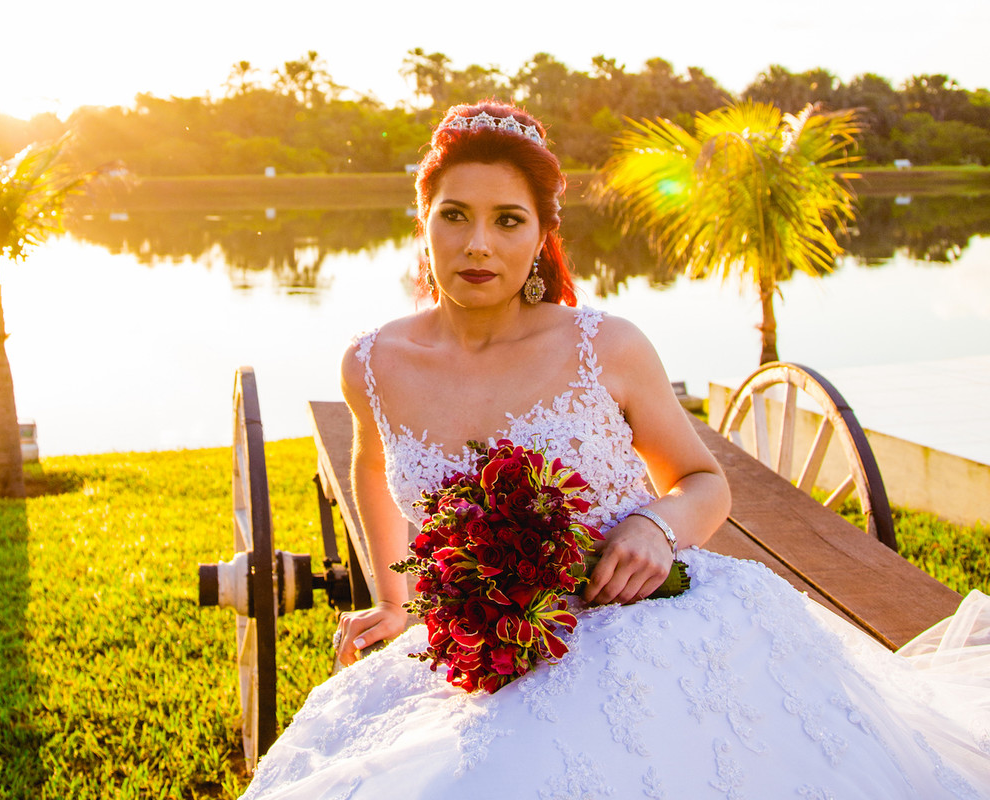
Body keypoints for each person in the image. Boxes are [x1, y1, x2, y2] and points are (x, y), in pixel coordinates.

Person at [239, 101, 990, 799]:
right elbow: (374, 465)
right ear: (422, 222)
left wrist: (654, 527)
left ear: (541, 236)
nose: (477, 244)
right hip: (491, 645)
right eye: (454, 216)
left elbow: (703, 482)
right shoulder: (372, 363)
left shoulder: (607, 346)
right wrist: (395, 601)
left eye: (507, 220)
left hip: (649, 627)